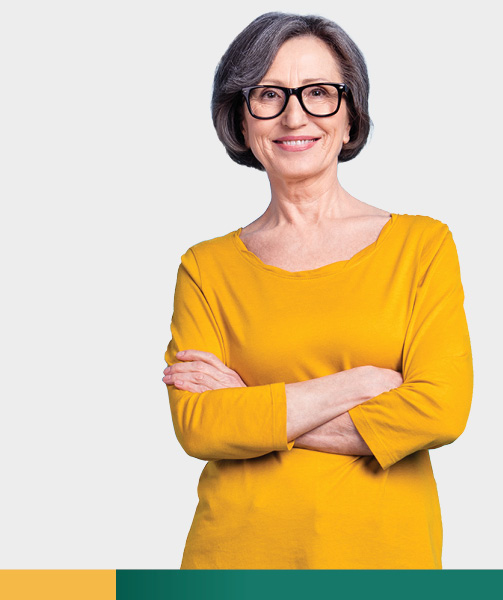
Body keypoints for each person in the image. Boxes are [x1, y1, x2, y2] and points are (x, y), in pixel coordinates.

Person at [163, 11, 473, 569]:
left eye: (320, 93)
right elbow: (200, 425)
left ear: (351, 117)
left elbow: (440, 411)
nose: (294, 115)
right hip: (233, 561)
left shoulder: (421, 246)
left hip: (383, 562)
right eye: (269, 95)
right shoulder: (205, 268)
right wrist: (357, 385)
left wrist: (252, 405)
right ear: (241, 117)